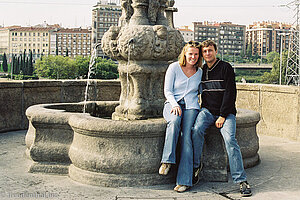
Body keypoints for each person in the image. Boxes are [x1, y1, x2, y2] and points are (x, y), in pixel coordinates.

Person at [191, 40, 252, 197]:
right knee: (196, 130)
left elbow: (230, 93)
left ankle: (241, 180)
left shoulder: (226, 68)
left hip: (226, 113)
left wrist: (223, 116)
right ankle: (196, 167)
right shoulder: (202, 70)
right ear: (202, 54)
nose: (207, 54)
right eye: (204, 52)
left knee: (230, 140)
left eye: (210, 50)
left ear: (215, 51)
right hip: (207, 111)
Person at [159, 41, 203, 193]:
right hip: (172, 104)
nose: (193, 57)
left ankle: (185, 181)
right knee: (175, 121)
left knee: (187, 137)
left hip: (191, 107)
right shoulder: (174, 67)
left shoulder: (200, 72)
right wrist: (174, 104)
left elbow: (202, 92)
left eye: (196, 54)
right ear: (185, 53)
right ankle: (167, 160)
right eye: (190, 53)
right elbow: (167, 90)